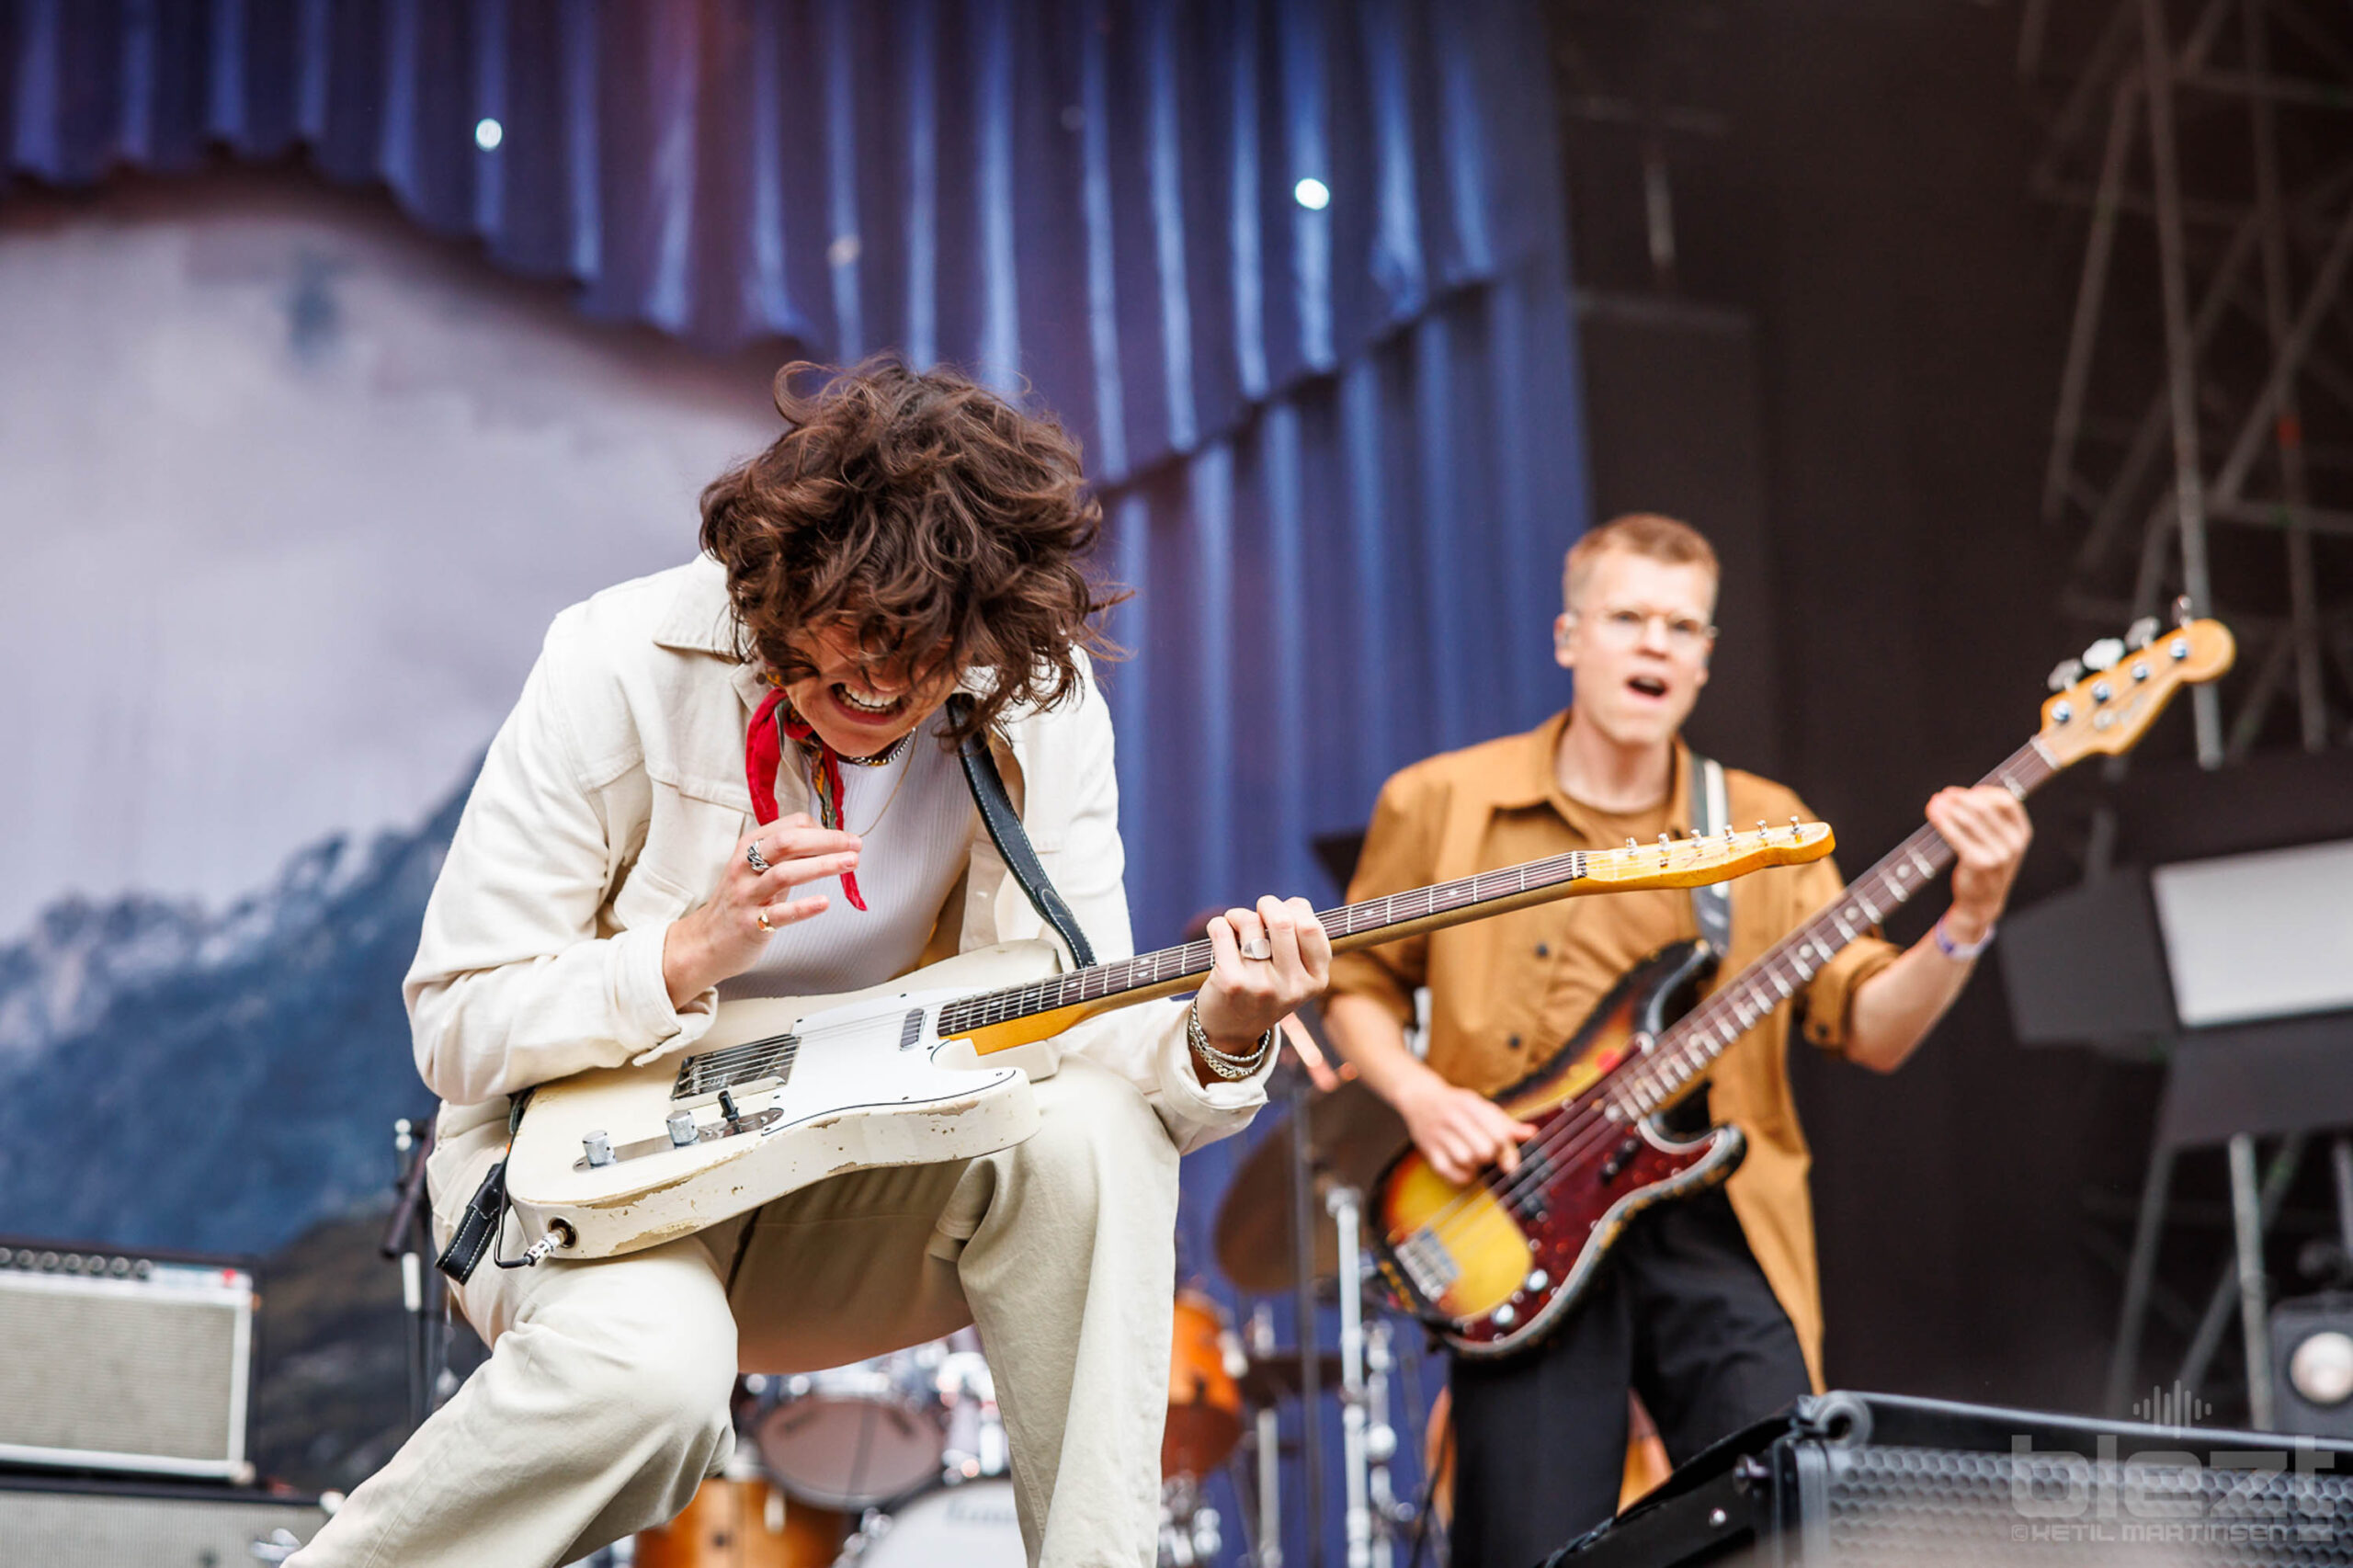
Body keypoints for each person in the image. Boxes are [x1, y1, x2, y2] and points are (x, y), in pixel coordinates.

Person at [290, 360, 1331, 1568]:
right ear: (773, 590)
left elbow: (1075, 1025)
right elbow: (458, 1024)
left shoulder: (1034, 702)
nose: (882, 691)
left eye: (923, 664)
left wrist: (1223, 1031)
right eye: (847, 660)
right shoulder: (615, 659)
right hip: (595, 1189)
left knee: (1099, 1127)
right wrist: (681, 957)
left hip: (845, 1184)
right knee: (652, 1385)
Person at [1320, 513, 2031, 1568]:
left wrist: (1970, 911)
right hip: (1516, 1216)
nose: (1654, 642)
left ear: (1704, 657)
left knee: (1789, 1524)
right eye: (1627, 617)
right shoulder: (1438, 802)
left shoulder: (1763, 824)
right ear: (1569, 637)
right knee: (1526, 1544)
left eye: (1681, 625)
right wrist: (1425, 1099)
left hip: (1716, 1219)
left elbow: (1872, 1027)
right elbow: (1355, 984)